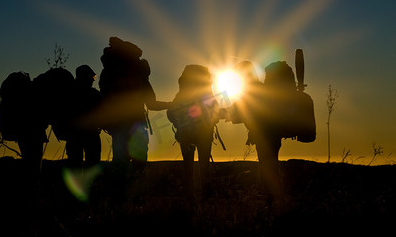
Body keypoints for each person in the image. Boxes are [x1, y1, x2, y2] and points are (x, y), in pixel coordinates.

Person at [98, 37, 170, 178]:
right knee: (139, 163)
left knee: (119, 164)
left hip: (117, 125)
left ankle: (119, 195)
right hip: (137, 123)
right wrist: (171, 105)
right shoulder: (139, 75)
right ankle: (134, 194)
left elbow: (103, 100)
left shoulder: (108, 73)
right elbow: (151, 104)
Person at [223, 61, 287, 210]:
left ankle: (276, 202)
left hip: (266, 137)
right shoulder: (259, 89)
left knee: (266, 170)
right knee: (269, 168)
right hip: (271, 136)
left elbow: (239, 112)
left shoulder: (252, 91)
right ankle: (276, 202)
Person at [167, 64, 220, 202]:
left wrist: (180, 124)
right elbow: (216, 112)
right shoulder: (207, 92)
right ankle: (206, 199)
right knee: (204, 167)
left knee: (188, 169)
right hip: (205, 134)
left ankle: (190, 199)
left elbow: (171, 113)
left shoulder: (182, 93)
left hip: (186, 134)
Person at [65, 65, 102, 169]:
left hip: (73, 135)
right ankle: (91, 185)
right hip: (89, 134)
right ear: (85, 78)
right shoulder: (94, 94)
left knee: (75, 165)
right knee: (92, 164)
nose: (93, 80)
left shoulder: (69, 94)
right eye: (92, 77)